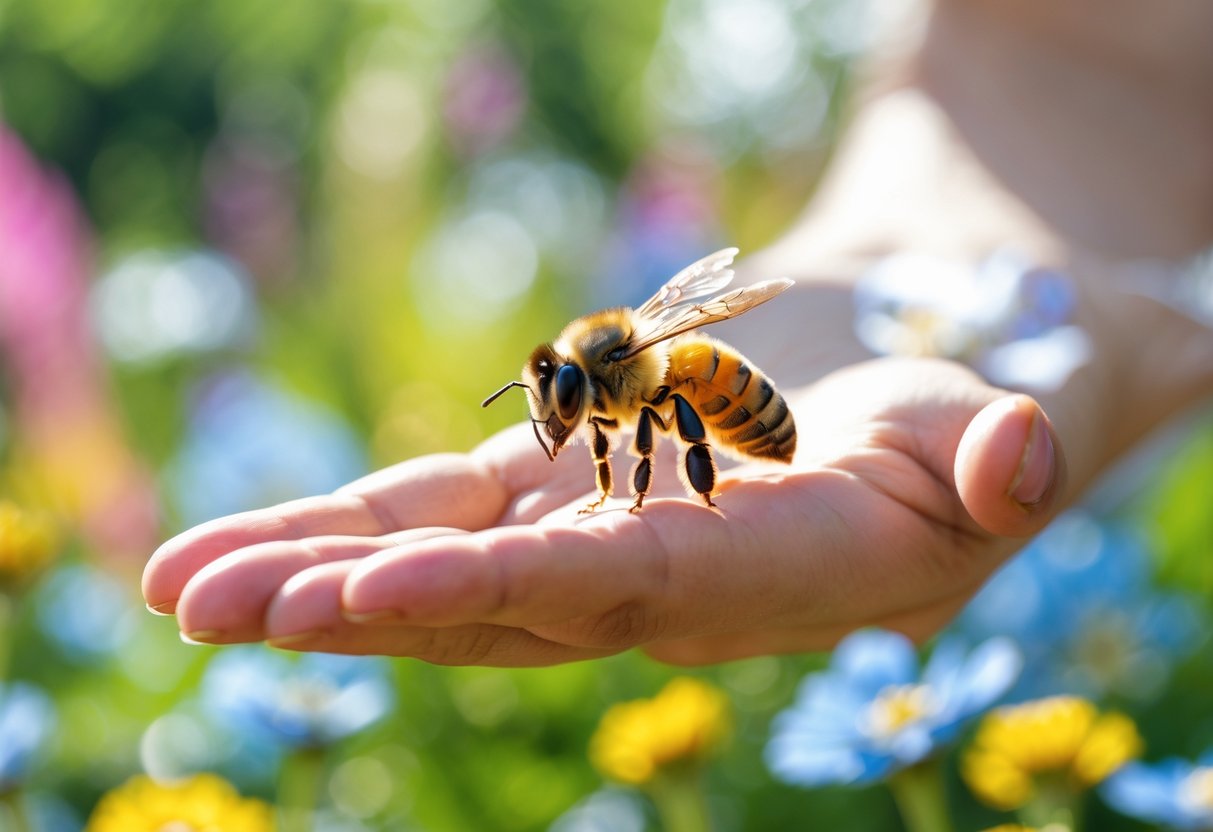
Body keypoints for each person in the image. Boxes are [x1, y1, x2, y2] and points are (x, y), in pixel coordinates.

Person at [142, 0, 1213, 666]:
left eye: (561, 408)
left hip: (735, 390)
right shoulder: (600, 377)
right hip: (804, 369)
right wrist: (931, 265)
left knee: (680, 403)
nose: (561, 422)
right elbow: (1061, 75)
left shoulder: (628, 375)